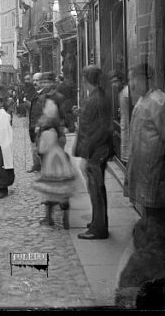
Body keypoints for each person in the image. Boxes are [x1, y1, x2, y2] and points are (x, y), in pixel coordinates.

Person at [125, 63, 165, 229]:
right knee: (151, 221)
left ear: (144, 79)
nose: (131, 84)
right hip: (146, 178)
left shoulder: (160, 102)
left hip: (157, 179)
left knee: (158, 224)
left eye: (133, 79)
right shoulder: (143, 100)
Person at [74, 66, 113, 240]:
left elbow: (96, 129)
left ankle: (99, 228)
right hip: (98, 149)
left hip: (96, 151)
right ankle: (98, 221)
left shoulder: (95, 99)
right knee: (97, 188)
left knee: (96, 189)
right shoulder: (99, 96)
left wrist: (87, 153)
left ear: (85, 79)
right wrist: (81, 112)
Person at [33, 98, 75, 228]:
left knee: (49, 189)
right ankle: (65, 216)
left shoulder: (46, 129)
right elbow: (63, 140)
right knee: (62, 188)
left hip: (50, 161)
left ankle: (48, 217)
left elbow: (42, 149)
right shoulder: (58, 127)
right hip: (60, 159)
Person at [26, 72, 55, 173]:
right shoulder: (36, 93)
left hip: (41, 127)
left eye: (37, 80)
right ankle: (37, 165)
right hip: (34, 125)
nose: (35, 83)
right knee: (35, 147)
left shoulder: (45, 95)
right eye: (33, 80)